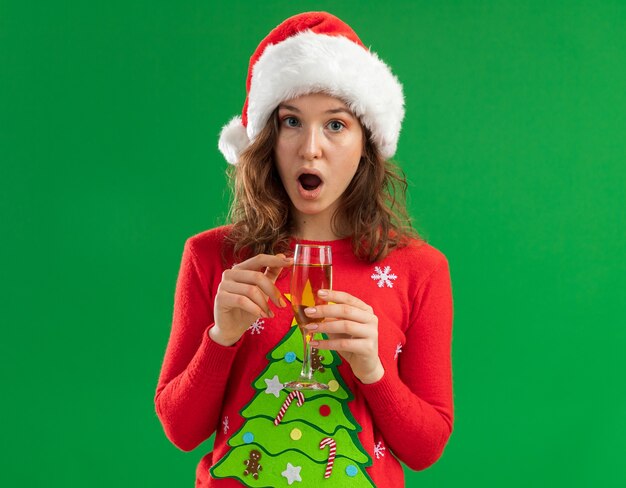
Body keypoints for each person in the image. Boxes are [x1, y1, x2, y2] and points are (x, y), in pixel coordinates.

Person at [155, 11, 454, 487]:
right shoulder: (213, 257)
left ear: (366, 144)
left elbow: (426, 448)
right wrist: (222, 336)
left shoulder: (419, 269)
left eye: (335, 125)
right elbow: (180, 429)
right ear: (268, 140)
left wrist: (374, 371)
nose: (310, 148)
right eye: (292, 122)